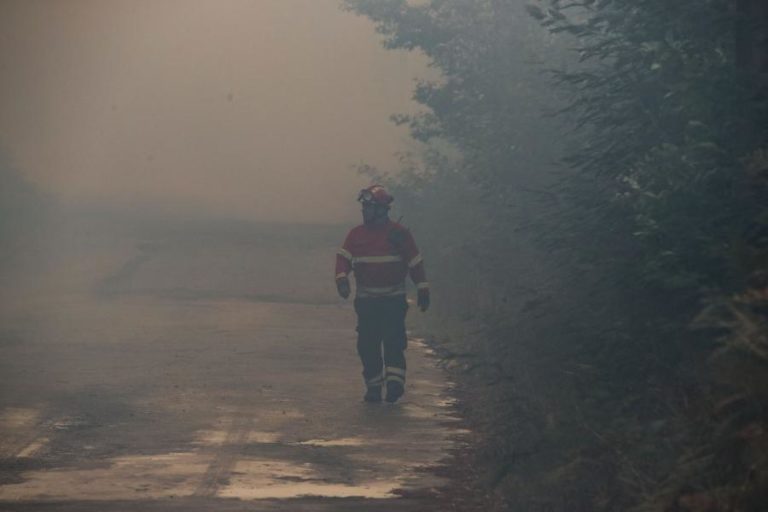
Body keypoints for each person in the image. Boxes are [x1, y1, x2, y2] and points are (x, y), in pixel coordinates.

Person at [335, 185, 430, 403]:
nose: (364, 211)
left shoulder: (398, 234)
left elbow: (414, 262)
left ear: (382, 210)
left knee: (393, 341)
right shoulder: (356, 235)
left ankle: (395, 383)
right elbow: (343, 259)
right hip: (367, 303)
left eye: (369, 207)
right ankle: (374, 387)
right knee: (367, 344)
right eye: (364, 207)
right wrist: (341, 279)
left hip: (393, 301)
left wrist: (423, 287)